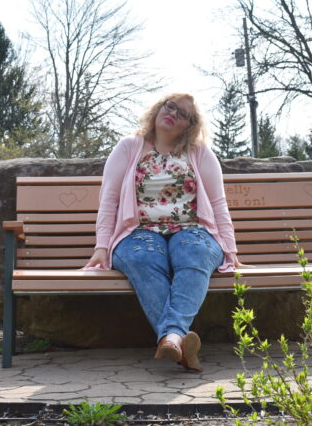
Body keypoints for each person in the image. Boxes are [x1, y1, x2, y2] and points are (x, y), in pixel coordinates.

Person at [83, 93, 245, 372]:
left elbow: (218, 204)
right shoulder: (129, 147)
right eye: (171, 106)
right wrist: (101, 245)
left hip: (192, 229)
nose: (173, 114)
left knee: (194, 252)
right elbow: (109, 199)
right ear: (159, 109)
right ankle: (179, 340)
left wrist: (230, 251)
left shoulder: (200, 152)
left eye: (183, 114)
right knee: (141, 258)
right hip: (139, 231)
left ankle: (171, 338)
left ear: (190, 126)